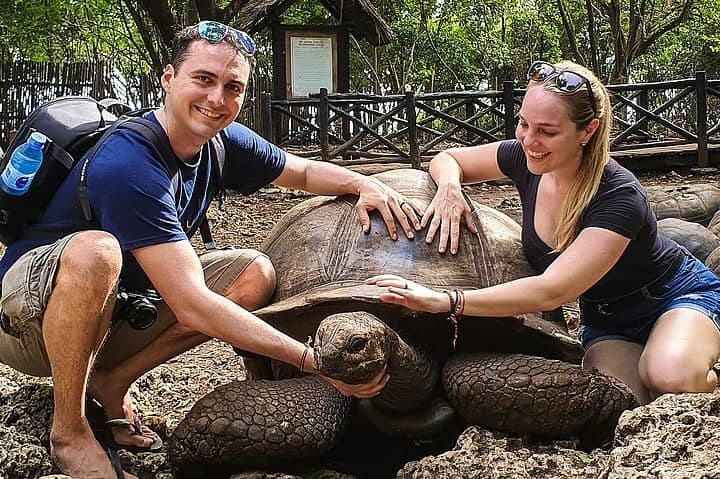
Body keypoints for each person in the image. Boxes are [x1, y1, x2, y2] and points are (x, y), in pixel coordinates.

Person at [0, 22, 420, 479]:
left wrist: (363, 183)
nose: (217, 99)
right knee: (96, 252)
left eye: (232, 87)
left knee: (253, 272)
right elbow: (193, 305)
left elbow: (300, 173)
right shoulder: (128, 164)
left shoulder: (221, 141)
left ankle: (111, 381)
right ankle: (70, 429)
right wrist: (311, 361)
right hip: (29, 323)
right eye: (203, 79)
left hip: (118, 307)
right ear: (168, 78)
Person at [368, 60, 720, 408]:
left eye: (547, 132)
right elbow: (448, 158)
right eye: (523, 123)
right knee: (624, 404)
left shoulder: (619, 197)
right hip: (606, 321)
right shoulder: (525, 157)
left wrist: (445, 300)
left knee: (670, 377)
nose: (528, 140)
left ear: (588, 130)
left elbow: (552, 291)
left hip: (671, 297)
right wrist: (449, 188)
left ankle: (706, 374)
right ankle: (667, 352)